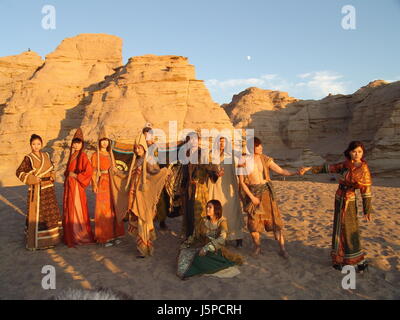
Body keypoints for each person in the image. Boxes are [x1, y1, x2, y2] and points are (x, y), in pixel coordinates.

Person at [299, 141, 372, 272]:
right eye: (354, 151)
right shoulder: (345, 165)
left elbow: (366, 190)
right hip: (339, 197)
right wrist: (309, 169)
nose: (357, 154)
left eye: (360, 151)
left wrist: (367, 209)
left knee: (349, 227)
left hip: (349, 200)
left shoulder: (363, 168)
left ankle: (353, 259)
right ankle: (339, 258)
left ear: (363, 153)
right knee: (339, 226)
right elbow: (328, 168)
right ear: (349, 152)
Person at [238, 137, 299, 258]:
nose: (261, 148)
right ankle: (257, 247)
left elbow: (281, 170)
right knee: (253, 224)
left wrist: (296, 172)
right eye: (258, 146)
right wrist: (251, 197)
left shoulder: (265, 159)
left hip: (267, 193)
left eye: (261, 145)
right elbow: (241, 182)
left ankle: (282, 249)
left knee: (275, 222)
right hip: (253, 194)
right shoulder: (242, 160)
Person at [126, 132, 171, 257]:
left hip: (144, 195)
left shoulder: (148, 160)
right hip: (136, 194)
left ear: (144, 148)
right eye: (135, 148)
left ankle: (144, 248)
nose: (137, 150)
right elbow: (129, 176)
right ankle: (143, 247)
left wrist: (164, 171)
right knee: (140, 220)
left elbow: (154, 172)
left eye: (139, 147)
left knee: (143, 220)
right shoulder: (137, 160)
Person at [16, 134, 62, 250]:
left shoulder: (46, 155)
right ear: (30, 145)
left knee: (50, 213)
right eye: (33, 144)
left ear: (41, 144)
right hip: (37, 189)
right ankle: (38, 242)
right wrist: (32, 179)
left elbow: (52, 167)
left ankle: (51, 240)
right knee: (38, 214)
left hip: (49, 189)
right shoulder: (28, 158)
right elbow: (19, 172)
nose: (36, 146)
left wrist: (52, 175)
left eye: (38, 144)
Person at [177, 199, 243, 279]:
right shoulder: (203, 220)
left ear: (216, 209)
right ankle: (188, 271)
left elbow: (222, 238)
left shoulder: (222, 222)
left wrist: (206, 248)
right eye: (207, 207)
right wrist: (186, 243)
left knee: (198, 259)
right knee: (185, 252)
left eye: (210, 207)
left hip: (215, 250)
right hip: (202, 247)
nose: (207, 209)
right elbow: (195, 236)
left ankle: (193, 270)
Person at [180, 132, 219, 239]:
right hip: (189, 188)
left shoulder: (203, 153)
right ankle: (189, 235)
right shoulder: (186, 154)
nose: (193, 141)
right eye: (190, 139)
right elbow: (184, 173)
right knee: (188, 212)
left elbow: (210, 167)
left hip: (200, 188)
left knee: (199, 212)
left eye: (195, 139)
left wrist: (216, 173)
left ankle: (199, 235)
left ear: (199, 140)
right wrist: (183, 187)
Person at [208, 135, 244, 247]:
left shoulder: (233, 154)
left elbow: (241, 166)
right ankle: (219, 237)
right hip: (215, 187)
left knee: (232, 213)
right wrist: (215, 174)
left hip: (229, 189)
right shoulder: (211, 154)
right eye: (220, 142)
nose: (222, 144)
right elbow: (208, 169)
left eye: (224, 142)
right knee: (217, 213)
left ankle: (238, 238)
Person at [91, 129, 125, 247]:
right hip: (103, 183)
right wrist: (94, 184)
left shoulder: (111, 153)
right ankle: (104, 237)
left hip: (112, 183)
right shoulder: (96, 155)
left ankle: (115, 235)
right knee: (103, 209)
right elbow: (94, 171)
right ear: (99, 142)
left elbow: (115, 168)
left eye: (106, 140)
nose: (104, 143)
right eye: (102, 141)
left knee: (114, 208)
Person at [62, 128, 95, 248]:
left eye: (79, 142)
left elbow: (89, 171)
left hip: (76, 186)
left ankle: (78, 234)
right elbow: (67, 171)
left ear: (82, 144)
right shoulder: (72, 155)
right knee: (69, 208)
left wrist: (76, 175)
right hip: (69, 185)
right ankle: (71, 233)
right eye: (75, 142)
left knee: (76, 208)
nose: (76, 145)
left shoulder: (83, 156)